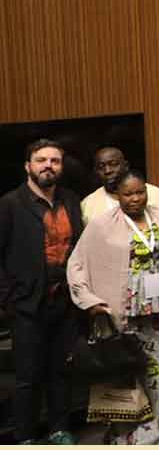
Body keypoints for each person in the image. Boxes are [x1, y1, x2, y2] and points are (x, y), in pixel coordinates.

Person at [69, 170, 159, 444]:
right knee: (128, 374)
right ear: (117, 196)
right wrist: (90, 302)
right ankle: (133, 439)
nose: (135, 199)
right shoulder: (101, 225)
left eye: (140, 192)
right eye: (128, 194)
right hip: (121, 315)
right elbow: (76, 265)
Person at [0, 140, 83, 444]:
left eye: (55, 161)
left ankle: (59, 429)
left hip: (65, 301)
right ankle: (25, 437)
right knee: (27, 377)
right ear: (28, 166)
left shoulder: (71, 200)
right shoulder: (9, 204)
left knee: (60, 371)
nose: (48, 165)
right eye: (41, 160)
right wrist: (8, 299)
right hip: (26, 304)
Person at [82, 145, 159, 223]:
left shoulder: (156, 194)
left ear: (126, 166)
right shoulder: (88, 204)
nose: (107, 171)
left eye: (113, 164)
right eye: (101, 167)